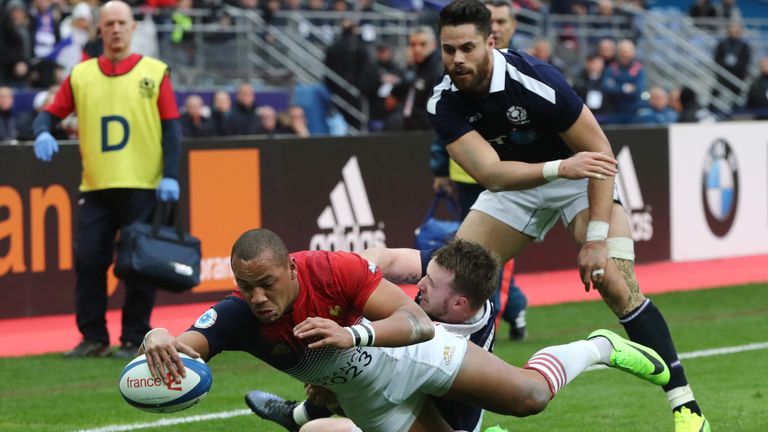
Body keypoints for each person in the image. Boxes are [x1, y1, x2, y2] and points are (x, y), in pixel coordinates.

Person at [426, 1, 709, 431]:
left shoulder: (537, 81)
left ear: (491, 41)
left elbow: (600, 154)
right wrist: (557, 168)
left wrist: (595, 238)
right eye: (448, 50)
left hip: (583, 176)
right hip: (519, 182)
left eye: (467, 48)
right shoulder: (443, 101)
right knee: (452, 285)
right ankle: (469, 422)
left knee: (614, 281)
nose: (457, 60)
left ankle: (687, 408)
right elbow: (490, 173)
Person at [142, 228, 669, 432]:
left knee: (529, 396)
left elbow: (417, 322)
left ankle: (600, 345)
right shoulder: (238, 314)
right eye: (244, 285)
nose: (256, 297)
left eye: (266, 284)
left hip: (408, 355)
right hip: (374, 402)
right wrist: (159, 339)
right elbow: (188, 348)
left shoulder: (331, 269)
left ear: (293, 269)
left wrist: (354, 335)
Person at [31, 0, 181, 359]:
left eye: (121, 23)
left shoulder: (155, 71)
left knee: (138, 266)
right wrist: (42, 132)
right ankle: (93, 337)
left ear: (132, 28)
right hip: (96, 186)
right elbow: (49, 114)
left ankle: (134, 338)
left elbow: (172, 129)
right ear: (99, 29)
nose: (115, 29)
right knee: (89, 260)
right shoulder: (81, 75)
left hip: (143, 185)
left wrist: (171, 175)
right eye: (108, 23)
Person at [245, 242, 499, 432]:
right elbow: (387, 258)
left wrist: (337, 397)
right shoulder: (460, 286)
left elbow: (380, 388)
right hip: (403, 393)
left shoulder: (454, 350)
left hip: (430, 420)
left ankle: (298, 414)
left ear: (459, 304)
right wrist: (345, 277)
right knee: (311, 429)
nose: (420, 282)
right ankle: (298, 416)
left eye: (430, 283)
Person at [431, 0, 528, 340]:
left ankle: (502, 316)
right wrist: (440, 168)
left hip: (512, 179)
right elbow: (442, 126)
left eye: (503, 20)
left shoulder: (525, 72)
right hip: (466, 176)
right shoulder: (454, 77)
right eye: (494, 20)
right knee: (471, 256)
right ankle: (496, 317)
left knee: (491, 258)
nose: (499, 27)